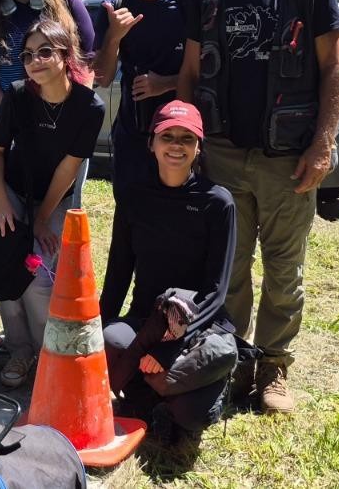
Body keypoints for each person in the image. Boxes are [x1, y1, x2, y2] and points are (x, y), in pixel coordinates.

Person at [175, 0, 339, 415]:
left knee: (282, 270)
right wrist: (189, 138)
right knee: (229, 270)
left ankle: (273, 366)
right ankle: (232, 362)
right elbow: (191, 71)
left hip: (288, 157)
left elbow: (334, 68)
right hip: (223, 151)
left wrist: (323, 144)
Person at [100, 100, 241, 449]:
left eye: (186, 138)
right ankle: (149, 395)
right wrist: (95, 326)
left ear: (198, 147)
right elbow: (118, 270)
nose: (176, 145)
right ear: (152, 143)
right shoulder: (134, 196)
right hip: (147, 320)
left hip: (200, 326)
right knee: (108, 341)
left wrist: (171, 345)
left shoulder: (217, 202)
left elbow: (216, 291)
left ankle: (195, 390)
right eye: (167, 136)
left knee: (192, 415)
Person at [0, 19, 104, 387]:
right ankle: (20, 350)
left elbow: (69, 168)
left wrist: (42, 219)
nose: (35, 61)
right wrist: (1, 200)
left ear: (65, 56)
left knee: (37, 277)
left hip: (55, 197)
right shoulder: (19, 94)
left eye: (45, 52)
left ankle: (44, 351)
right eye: (28, 55)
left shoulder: (89, 106)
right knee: (6, 267)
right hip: (14, 191)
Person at [92, 0, 190, 192]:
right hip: (133, 133)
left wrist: (166, 83)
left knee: (178, 221)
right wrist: (114, 37)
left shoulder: (191, 1)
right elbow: (103, 77)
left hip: (181, 136)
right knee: (130, 220)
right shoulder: (117, 5)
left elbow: (214, 71)